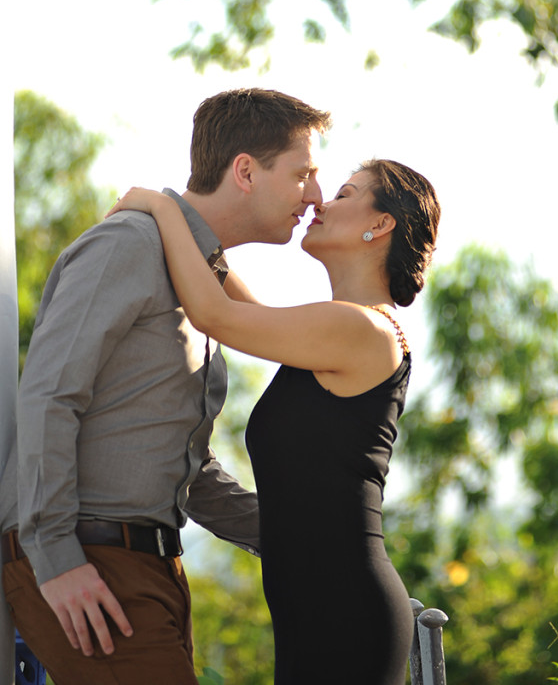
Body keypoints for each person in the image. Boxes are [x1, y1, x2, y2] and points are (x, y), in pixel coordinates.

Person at [0, 87, 332, 685]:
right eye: (303, 173)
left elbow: (185, 467)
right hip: (86, 562)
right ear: (246, 171)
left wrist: (300, 536)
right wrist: (55, 559)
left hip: (150, 570)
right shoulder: (127, 245)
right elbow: (49, 395)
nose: (315, 196)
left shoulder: (199, 281)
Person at [108, 157, 440, 685]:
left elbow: (215, 316)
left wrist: (162, 206)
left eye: (347, 194)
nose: (321, 203)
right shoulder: (339, 328)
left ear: (380, 225)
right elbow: (243, 308)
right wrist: (199, 235)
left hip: (343, 606)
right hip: (313, 602)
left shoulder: (360, 330)